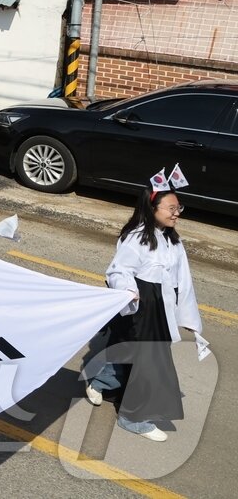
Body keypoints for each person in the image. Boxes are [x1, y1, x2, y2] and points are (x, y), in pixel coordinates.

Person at [84, 186, 201, 442]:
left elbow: (183, 279)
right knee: (150, 361)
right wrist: (128, 290)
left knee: (132, 352)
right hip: (141, 305)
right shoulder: (137, 237)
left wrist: (187, 314)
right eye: (171, 208)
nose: (177, 213)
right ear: (152, 208)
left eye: (179, 208)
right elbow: (118, 271)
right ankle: (133, 418)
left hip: (161, 305)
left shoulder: (172, 240)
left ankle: (102, 383)